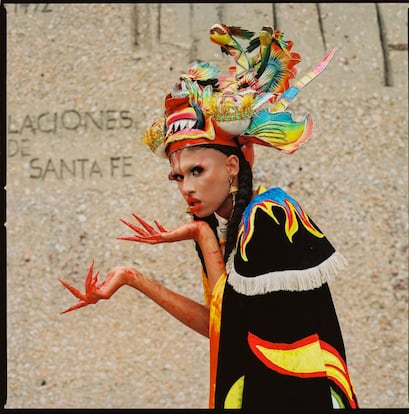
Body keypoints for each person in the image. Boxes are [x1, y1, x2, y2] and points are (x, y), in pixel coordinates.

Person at [59, 24, 359, 409]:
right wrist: (133, 278)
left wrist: (202, 238)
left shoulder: (269, 216)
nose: (186, 187)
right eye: (178, 176)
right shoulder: (230, 229)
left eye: (197, 171)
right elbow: (221, 329)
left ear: (232, 166)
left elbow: (251, 341)